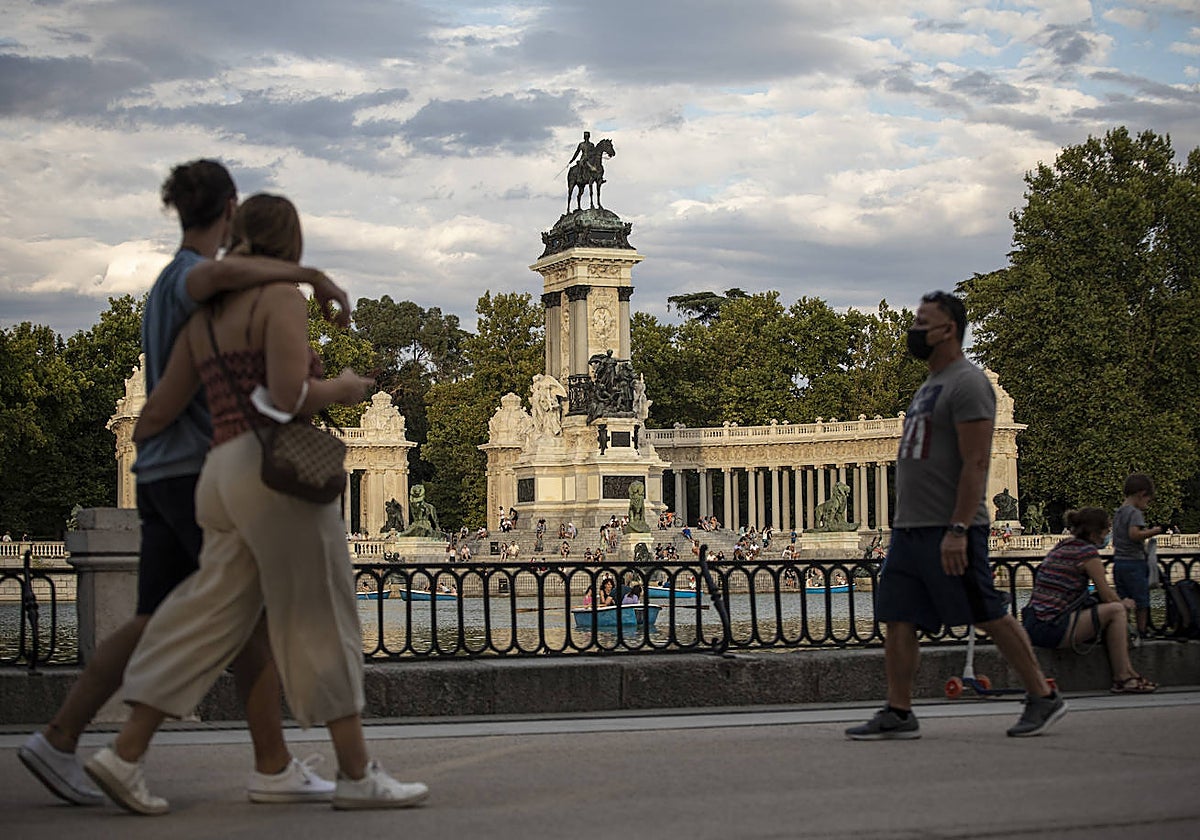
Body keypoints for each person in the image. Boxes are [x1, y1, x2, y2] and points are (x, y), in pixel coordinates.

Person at [79, 194, 428, 814]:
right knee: (322, 616)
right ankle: (356, 773)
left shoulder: (204, 317)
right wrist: (342, 389)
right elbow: (289, 395)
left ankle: (124, 753)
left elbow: (155, 413)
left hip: (220, 474)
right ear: (289, 242)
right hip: (273, 475)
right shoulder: (282, 300)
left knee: (207, 617)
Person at [18, 160, 350, 808]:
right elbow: (221, 276)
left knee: (151, 620)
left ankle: (58, 739)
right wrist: (306, 273)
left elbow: (160, 402)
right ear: (228, 209)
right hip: (195, 468)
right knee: (242, 619)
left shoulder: (163, 287)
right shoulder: (189, 280)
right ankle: (264, 764)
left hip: (157, 472)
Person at [846, 291, 1065, 741]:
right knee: (898, 615)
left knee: (987, 611)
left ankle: (1042, 694)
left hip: (948, 526)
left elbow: (978, 461)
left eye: (922, 321)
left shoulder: (968, 383)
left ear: (948, 329)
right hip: (910, 528)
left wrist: (960, 527)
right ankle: (899, 709)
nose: (914, 329)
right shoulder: (930, 385)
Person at [1021, 508, 1156, 693]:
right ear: (1094, 533)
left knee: (1107, 607)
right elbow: (1108, 595)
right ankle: (1123, 677)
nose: (1109, 534)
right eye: (1106, 530)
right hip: (1052, 627)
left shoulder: (1064, 545)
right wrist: (1126, 604)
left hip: (1034, 622)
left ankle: (1130, 673)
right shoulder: (1086, 553)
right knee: (1116, 611)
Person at [1112, 473, 1163, 642]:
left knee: (1123, 599)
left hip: (1118, 562)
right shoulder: (1134, 513)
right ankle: (1142, 631)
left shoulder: (1118, 512)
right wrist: (1153, 531)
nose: (1147, 505)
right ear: (1142, 494)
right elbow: (1134, 534)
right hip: (1134, 562)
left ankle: (1124, 630)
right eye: (1147, 500)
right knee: (1142, 599)